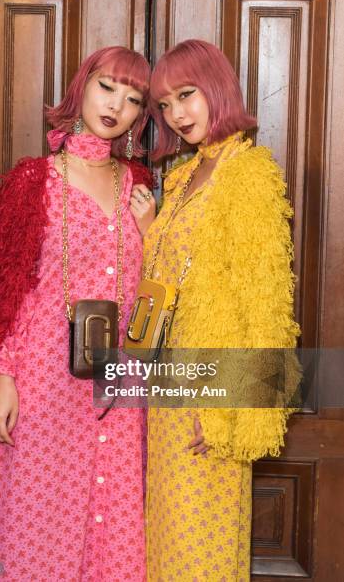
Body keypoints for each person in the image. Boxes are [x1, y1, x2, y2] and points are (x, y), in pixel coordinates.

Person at [0, 46, 156, 581]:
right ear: (82, 86)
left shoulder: (140, 186)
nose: (117, 106)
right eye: (107, 87)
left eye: (133, 99)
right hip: (44, 373)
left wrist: (150, 234)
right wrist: (5, 377)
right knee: (38, 518)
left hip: (119, 378)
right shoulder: (34, 182)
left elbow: (153, 290)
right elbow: (8, 290)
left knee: (116, 517)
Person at [143, 40, 301, 581]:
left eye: (185, 95)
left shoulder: (249, 173)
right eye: (163, 105)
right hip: (169, 387)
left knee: (199, 555)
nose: (176, 114)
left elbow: (267, 307)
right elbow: (174, 278)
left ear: (216, 88)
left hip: (213, 399)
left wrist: (238, 413)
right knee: (165, 548)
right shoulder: (186, 175)